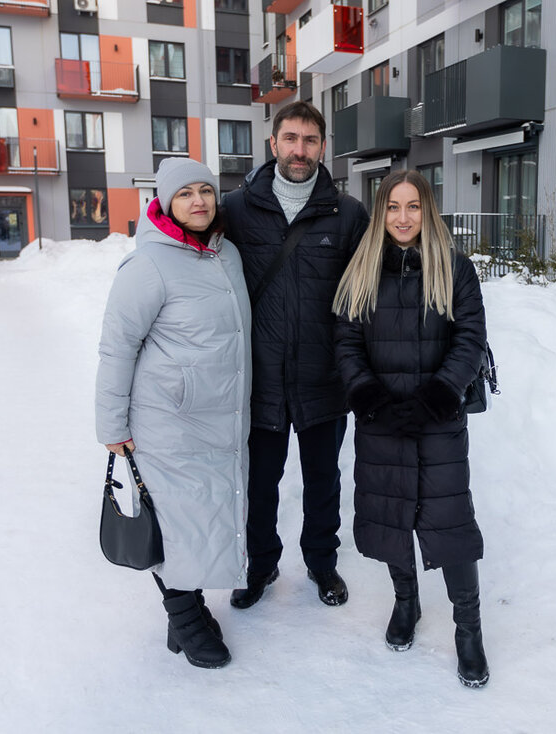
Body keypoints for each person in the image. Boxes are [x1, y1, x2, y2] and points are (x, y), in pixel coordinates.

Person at [332, 169, 490, 687]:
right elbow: (346, 342)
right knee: (391, 516)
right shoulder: (361, 269)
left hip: (438, 420)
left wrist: (437, 396)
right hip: (382, 421)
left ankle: (469, 629)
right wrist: (370, 397)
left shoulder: (455, 268)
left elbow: (470, 338)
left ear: (428, 210)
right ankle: (406, 602)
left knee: (450, 523)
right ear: (381, 212)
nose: (403, 217)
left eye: (414, 206)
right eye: (394, 207)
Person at [95, 158, 251, 670]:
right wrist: (111, 425)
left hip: (220, 416)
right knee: (175, 522)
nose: (198, 201)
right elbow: (117, 347)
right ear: (164, 202)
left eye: (205, 190)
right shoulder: (148, 265)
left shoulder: (226, 254)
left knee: (201, 518)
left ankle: (188, 612)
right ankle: (185, 618)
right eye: (185, 193)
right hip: (167, 420)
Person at [222, 101, 369, 609]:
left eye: (309, 140)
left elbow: (366, 295)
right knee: (260, 483)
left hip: (323, 378)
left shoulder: (348, 214)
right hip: (259, 379)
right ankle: (260, 565)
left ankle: (322, 563)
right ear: (274, 143)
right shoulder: (236, 209)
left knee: (324, 481)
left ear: (323, 147)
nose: (299, 150)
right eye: (290, 138)